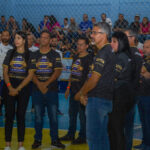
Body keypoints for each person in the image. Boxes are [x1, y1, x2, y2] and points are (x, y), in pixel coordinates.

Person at [75, 22, 116, 150]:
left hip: (98, 100)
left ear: (104, 35)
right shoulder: (110, 51)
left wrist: (82, 93)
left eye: (94, 32)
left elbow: (94, 79)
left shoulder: (103, 52)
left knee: (93, 138)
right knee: (102, 137)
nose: (91, 35)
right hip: (106, 99)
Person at [31, 30, 65, 149]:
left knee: (53, 116)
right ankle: (37, 139)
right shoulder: (34, 55)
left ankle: (55, 140)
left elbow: (57, 71)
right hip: (37, 90)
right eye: (42, 37)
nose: (43, 39)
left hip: (51, 90)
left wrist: (46, 84)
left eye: (46, 38)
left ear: (50, 40)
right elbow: (31, 72)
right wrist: (39, 84)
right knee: (38, 116)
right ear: (39, 39)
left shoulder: (55, 54)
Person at [3, 31, 35, 150]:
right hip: (10, 86)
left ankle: (20, 145)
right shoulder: (10, 53)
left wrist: (18, 88)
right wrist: (10, 87)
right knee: (9, 115)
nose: (16, 40)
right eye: (15, 38)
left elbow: (30, 75)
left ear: (24, 41)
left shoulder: (30, 55)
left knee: (21, 115)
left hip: (23, 88)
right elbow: (5, 71)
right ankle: (8, 145)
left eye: (19, 38)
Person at [60, 36, 93, 144]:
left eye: (81, 44)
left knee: (83, 116)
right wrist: (68, 88)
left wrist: (84, 93)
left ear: (87, 46)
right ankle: (71, 134)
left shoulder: (89, 59)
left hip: (83, 92)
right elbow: (72, 74)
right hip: (73, 91)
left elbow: (90, 78)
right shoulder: (75, 56)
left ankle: (83, 136)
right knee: (72, 114)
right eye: (78, 44)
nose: (79, 46)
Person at [108, 31, 134, 150]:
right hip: (123, 96)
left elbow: (112, 76)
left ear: (122, 43)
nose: (111, 44)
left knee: (116, 128)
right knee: (115, 128)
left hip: (119, 97)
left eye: (114, 41)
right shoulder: (125, 55)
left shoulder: (121, 57)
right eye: (111, 41)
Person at [124, 28, 143, 150]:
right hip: (128, 93)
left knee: (126, 124)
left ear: (133, 38)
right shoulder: (130, 53)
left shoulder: (133, 54)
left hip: (128, 94)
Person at [134, 40, 150, 150]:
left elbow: (144, 72)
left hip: (148, 95)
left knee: (148, 120)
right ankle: (145, 142)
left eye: (148, 47)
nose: (144, 49)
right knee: (143, 120)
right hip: (141, 93)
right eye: (144, 47)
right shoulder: (143, 59)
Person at [0, 30, 13, 116]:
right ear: (1, 37)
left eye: (6, 35)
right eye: (3, 35)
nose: (5, 37)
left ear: (9, 37)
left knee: (5, 96)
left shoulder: (11, 49)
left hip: (6, 77)